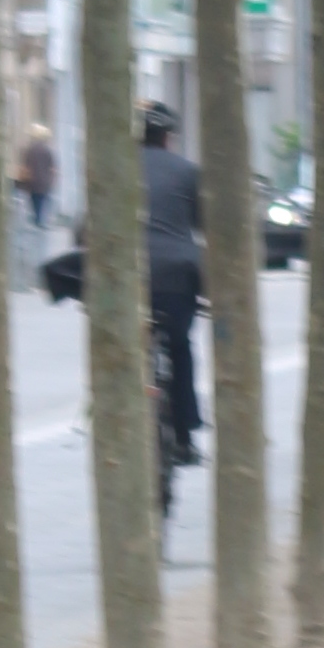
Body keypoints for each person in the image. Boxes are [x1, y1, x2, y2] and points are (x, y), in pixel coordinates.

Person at [140, 102, 206, 469]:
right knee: (180, 347)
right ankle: (184, 436)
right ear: (168, 137)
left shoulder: (113, 169)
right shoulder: (187, 171)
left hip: (130, 275)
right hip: (177, 276)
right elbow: (202, 224)